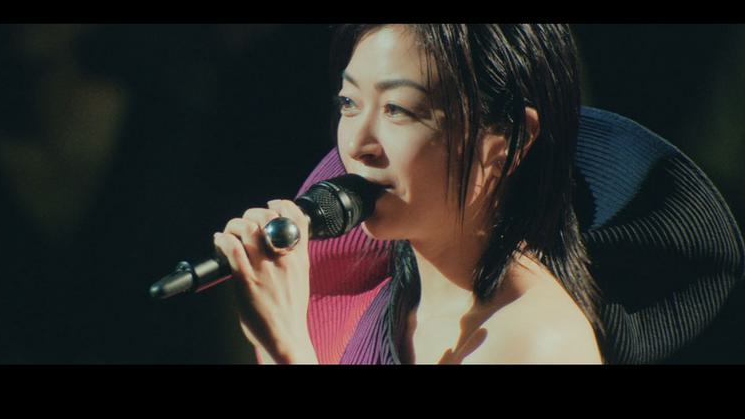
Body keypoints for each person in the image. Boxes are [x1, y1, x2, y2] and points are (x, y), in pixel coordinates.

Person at [212, 24, 608, 364]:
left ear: (506, 139)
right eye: (349, 103)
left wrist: (286, 345)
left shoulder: (540, 343)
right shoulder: (381, 296)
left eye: (397, 109)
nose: (357, 144)